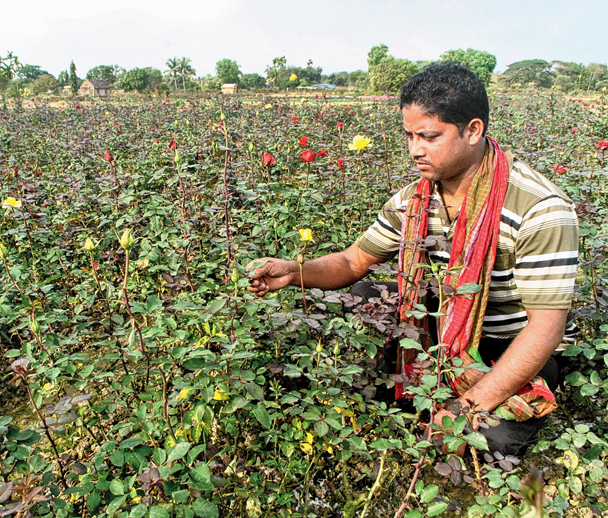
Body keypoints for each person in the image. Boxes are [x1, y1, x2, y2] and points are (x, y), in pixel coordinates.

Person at [246, 62, 578, 456]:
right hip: (443, 328)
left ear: (473, 130)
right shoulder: (412, 201)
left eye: (429, 136)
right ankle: (411, 388)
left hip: (510, 343)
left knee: (489, 441)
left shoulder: (539, 209)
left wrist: (465, 409)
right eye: (409, 135)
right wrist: (295, 272)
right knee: (370, 292)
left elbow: (545, 329)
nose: (414, 149)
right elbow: (354, 261)